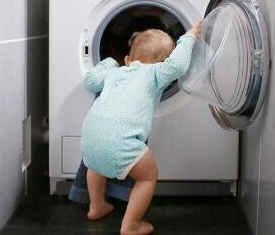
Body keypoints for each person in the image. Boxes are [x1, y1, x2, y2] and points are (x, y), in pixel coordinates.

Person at [81, 21, 203, 235]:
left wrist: (109, 62)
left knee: (96, 166)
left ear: (128, 60)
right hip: (121, 142)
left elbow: (89, 81)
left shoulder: (115, 73)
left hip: (90, 140)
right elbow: (177, 65)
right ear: (162, 64)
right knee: (147, 176)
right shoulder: (155, 74)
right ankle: (131, 225)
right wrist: (190, 36)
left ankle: (96, 205)